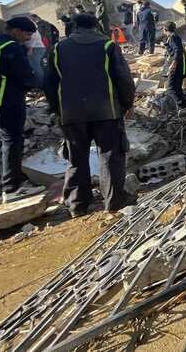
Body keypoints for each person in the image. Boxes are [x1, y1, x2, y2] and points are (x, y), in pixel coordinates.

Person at [44, 14, 135, 218]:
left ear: (74, 26)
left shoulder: (59, 48)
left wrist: (58, 109)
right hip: (107, 111)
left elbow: (49, 83)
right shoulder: (107, 46)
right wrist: (127, 104)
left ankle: (77, 204)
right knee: (110, 155)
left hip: (72, 114)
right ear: (96, 27)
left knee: (76, 159)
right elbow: (124, 78)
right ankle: (114, 201)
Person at [0, 17, 42, 203]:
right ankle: (12, 188)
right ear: (16, 31)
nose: (28, 38)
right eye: (27, 34)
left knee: (7, 138)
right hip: (7, 99)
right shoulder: (11, 47)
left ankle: (12, 183)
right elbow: (23, 73)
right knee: (13, 140)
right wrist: (38, 86)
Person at [162, 22, 186, 108]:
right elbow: (174, 50)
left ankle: (182, 107)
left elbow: (178, 50)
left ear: (165, 29)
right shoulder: (173, 37)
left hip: (175, 67)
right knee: (177, 89)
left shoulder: (173, 37)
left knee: (171, 89)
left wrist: (173, 64)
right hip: (178, 66)